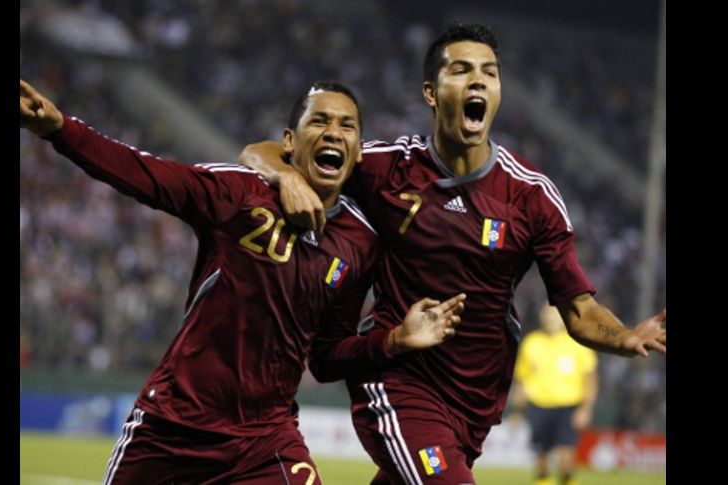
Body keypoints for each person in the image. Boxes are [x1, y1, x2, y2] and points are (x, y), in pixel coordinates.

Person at [240, 22, 666, 485]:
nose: (478, 80)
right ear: (431, 92)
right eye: (461, 70)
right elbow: (262, 152)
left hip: (473, 403)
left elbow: (579, 311)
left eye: (490, 72)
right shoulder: (384, 168)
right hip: (396, 381)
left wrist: (623, 336)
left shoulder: (533, 197)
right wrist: (286, 178)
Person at [20, 78, 466, 484]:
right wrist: (61, 130)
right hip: (173, 425)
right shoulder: (238, 193)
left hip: (263, 441)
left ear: (357, 152)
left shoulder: (361, 244)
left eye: (347, 126)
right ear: (289, 142)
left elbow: (327, 359)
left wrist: (392, 342)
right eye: (320, 121)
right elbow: (143, 173)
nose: (334, 132)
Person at [510, 303, 598, 485]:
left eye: (554, 315)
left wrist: (586, 409)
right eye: (547, 315)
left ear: (563, 318)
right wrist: (517, 411)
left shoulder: (577, 342)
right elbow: (521, 379)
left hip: (568, 407)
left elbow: (591, 379)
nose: (550, 319)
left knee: (566, 462)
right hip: (538, 406)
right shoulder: (532, 343)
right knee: (541, 461)